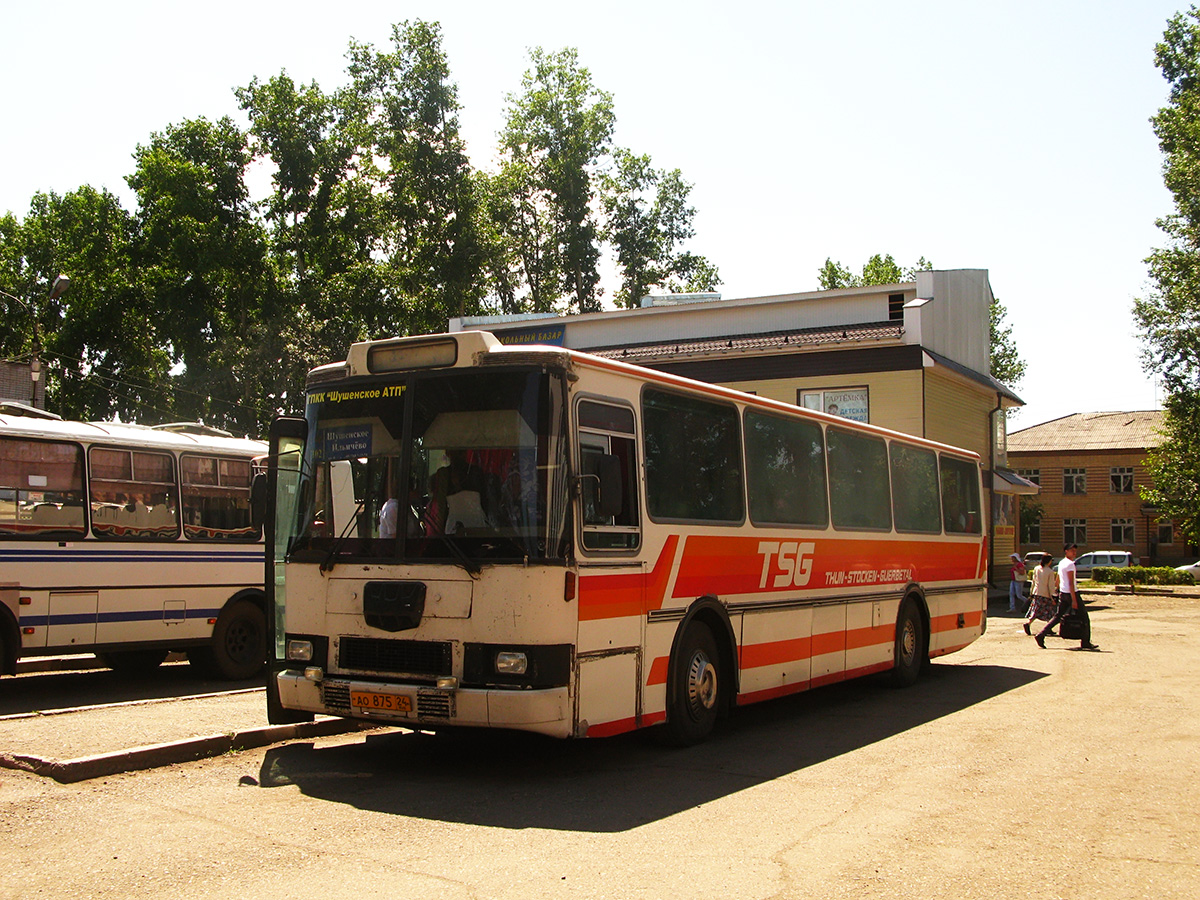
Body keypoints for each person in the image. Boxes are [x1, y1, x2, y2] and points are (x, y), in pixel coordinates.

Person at [1036, 543, 1099, 651]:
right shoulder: (1070, 564)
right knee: (1084, 617)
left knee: (1058, 616)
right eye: (1072, 551)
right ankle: (1085, 642)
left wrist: (1056, 591)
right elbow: (1071, 583)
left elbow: (1058, 578)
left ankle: (1041, 634)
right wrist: (1074, 600)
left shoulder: (1062, 562)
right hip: (1071, 593)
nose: (1074, 553)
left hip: (1063, 593)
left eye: (1075, 551)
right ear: (1066, 551)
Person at [1024, 554, 1059, 635]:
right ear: (1049, 561)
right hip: (1045, 594)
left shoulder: (1037, 569)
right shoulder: (1049, 571)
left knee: (1036, 611)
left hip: (1037, 592)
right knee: (1048, 611)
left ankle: (1029, 623)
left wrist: (1031, 592)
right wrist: (1053, 596)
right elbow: (1050, 586)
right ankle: (1047, 627)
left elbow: (1033, 581)